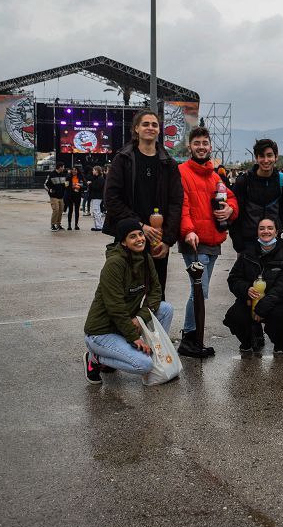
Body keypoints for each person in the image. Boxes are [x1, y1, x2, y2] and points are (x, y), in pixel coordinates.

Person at [82, 217, 175, 383]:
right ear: (123, 242)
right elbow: (115, 308)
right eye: (132, 236)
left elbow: (156, 292)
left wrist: (140, 317)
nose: (139, 239)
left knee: (166, 309)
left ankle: (157, 354)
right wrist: (134, 337)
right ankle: (95, 357)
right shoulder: (114, 264)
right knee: (143, 365)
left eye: (140, 234)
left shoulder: (146, 258)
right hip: (102, 331)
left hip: (126, 323)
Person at [104, 109, 183, 299]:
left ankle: (154, 329)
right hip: (128, 238)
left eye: (154, 124)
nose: (150, 128)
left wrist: (167, 241)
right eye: (146, 124)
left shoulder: (169, 164)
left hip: (157, 241)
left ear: (159, 130)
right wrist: (139, 227)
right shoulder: (122, 159)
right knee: (125, 294)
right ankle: (128, 329)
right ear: (136, 129)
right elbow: (112, 199)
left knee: (156, 294)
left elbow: (176, 203)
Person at [177, 126, 239, 358]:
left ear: (210, 146)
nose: (201, 147)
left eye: (205, 143)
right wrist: (188, 231)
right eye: (197, 143)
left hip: (214, 241)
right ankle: (190, 338)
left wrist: (231, 209)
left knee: (201, 292)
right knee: (198, 291)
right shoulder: (182, 172)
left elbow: (231, 199)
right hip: (194, 242)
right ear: (190, 146)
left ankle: (194, 337)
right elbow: (181, 206)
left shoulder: (215, 176)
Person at [224, 218, 283, 354]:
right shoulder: (246, 254)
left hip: (275, 303)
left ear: (277, 232)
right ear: (257, 232)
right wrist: (246, 289)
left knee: (279, 318)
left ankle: (279, 344)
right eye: (262, 228)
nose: (266, 231)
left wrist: (261, 308)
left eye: (270, 228)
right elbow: (233, 279)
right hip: (249, 301)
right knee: (234, 316)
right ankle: (248, 341)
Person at [230, 139, 283, 252]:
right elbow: (236, 215)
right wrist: (237, 242)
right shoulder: (244, 182)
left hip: (273, 242)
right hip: (247, 243)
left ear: (276, 157)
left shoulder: (282, 181)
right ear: (256, 158)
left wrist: (279, 232)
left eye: (269, 155)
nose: (266, 160)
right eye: (261, 156)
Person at [44, 162, 68, 232]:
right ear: (60, 167)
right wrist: (50, 190)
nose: (63, 168)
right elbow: (45, 184)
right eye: (63, 167)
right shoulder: (51, 174)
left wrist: (66, 186)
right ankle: (52, 225)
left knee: (60, 211)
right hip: (54, 196)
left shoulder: (63, 175)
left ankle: (58, 224)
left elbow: (65, 184)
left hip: (61, 196)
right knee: (56, 210)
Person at [88, 165, 106, 231]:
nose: (92, 171)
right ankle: (97, 226)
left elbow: (97, 187)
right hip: (95, 196)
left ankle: (99, 226)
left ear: (97, 171)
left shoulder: (100, 178)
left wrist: (90, 184)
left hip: (97, 197)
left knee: (96, 211)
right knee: (95, 211)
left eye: (93, 170)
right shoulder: (97, 178)